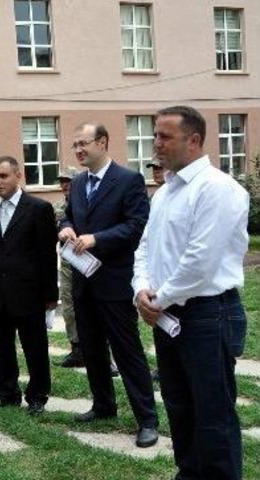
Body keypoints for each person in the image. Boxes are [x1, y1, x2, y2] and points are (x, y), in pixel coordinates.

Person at [134, 106, 249, 479]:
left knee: (213, 415)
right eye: (156, 135)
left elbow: (200, 262)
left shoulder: (218, 189)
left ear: (194, 140)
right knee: (180, 409)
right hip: (169, 316)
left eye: (165, 136)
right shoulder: (165, 193)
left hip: (208, 315)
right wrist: (141, 291)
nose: (156, 144)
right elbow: (145, 249)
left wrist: (159, 299)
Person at [58, 122, 159, 448]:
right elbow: (68, 216)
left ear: (103, 142)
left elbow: (137, 226)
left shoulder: (129, 181)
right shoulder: (77, 182)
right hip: (83, 282)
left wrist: (96, 239)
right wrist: (67, 228)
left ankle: (147, 419)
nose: (78, 150)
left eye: (83, 143)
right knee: (92, 349)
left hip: (115, 283)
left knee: (127, 351)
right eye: (75, 145)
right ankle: (103, 405)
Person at [0, 156, 56, 415]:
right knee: (2, 346)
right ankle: (7, 392)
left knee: (34, 346)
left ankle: (37, 395)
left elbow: (47, 255)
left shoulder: (38, 209)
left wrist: (50, 294)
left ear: (18, 176)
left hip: (29, 293)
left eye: (3, 176)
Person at [53, 167, 83, 368]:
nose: (65, 185)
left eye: (69, 181)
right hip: (67, 262)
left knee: (94, 307)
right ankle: (76, 348)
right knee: (68, 304)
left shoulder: (88, 204)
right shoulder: (57, 207)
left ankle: (105, 355)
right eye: (62, 181)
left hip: (88, 260)